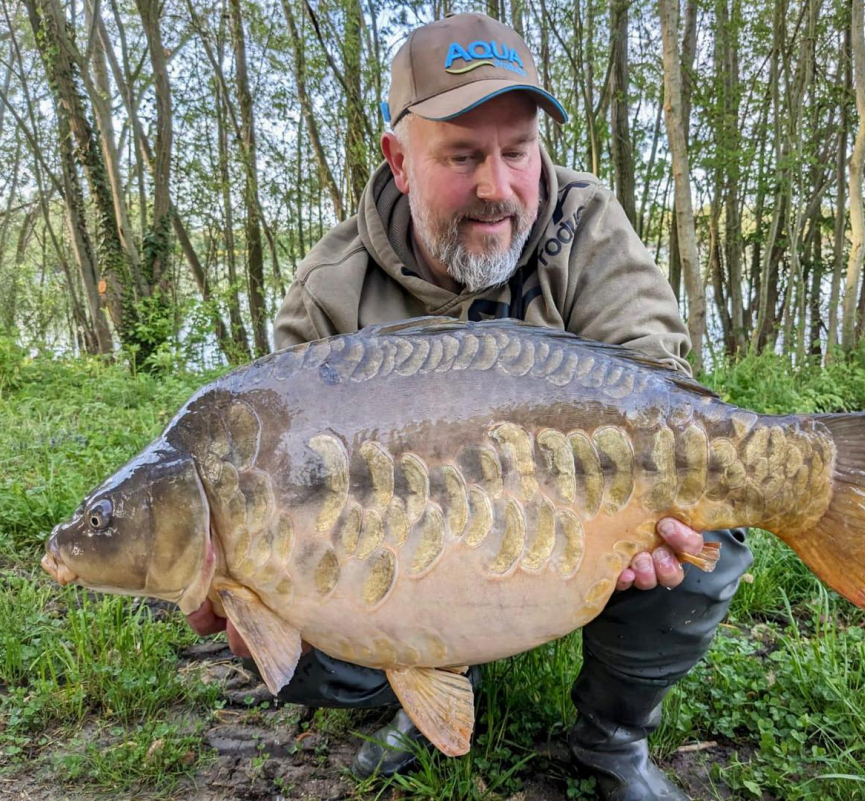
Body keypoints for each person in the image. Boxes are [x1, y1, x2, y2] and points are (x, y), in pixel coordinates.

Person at [187, 13, 752, 800]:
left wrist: (641, 508)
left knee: (703, 518)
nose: (496, 186)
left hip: (572, 525)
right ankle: (421, 689)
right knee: (280, 602)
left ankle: (613, 737)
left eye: (517, 152)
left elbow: (657, 380)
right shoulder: (330, 291)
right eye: (462, 156)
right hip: (410, 554)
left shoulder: (585, 224)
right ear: (399, 160)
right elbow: (279, 470)